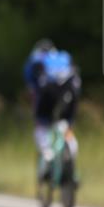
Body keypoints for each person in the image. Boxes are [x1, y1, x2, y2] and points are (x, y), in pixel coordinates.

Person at [22, 39, 81, 180]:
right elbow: (77, 80)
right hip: (70, 93)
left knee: (42, 125)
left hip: (48, 92)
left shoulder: (36, 58)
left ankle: (47, 154)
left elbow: (30, 82)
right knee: (66, 125)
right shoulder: (64, 56)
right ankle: (72, 151)